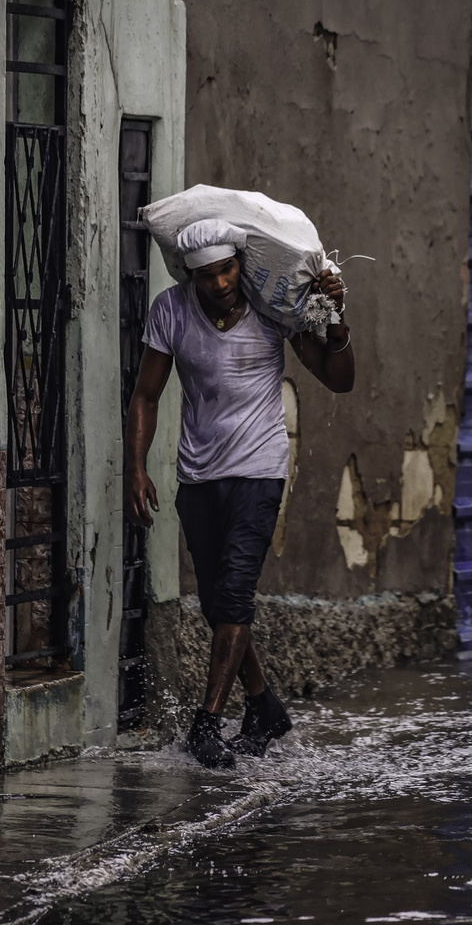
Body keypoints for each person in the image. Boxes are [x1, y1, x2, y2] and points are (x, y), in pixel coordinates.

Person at [125, 218, 354, 769]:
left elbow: (337, 377)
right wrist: (135, 467)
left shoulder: (272, 306)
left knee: (233, 598)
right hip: (199, 474)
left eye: (228, 270)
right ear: (190, 273)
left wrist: (338, 318)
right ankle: (264, 707)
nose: (221, 283)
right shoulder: (171, 309)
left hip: (260, 469)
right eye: (208, 275)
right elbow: (146, 395)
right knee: (214, 602)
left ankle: (207, 722)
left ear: (240, 265)